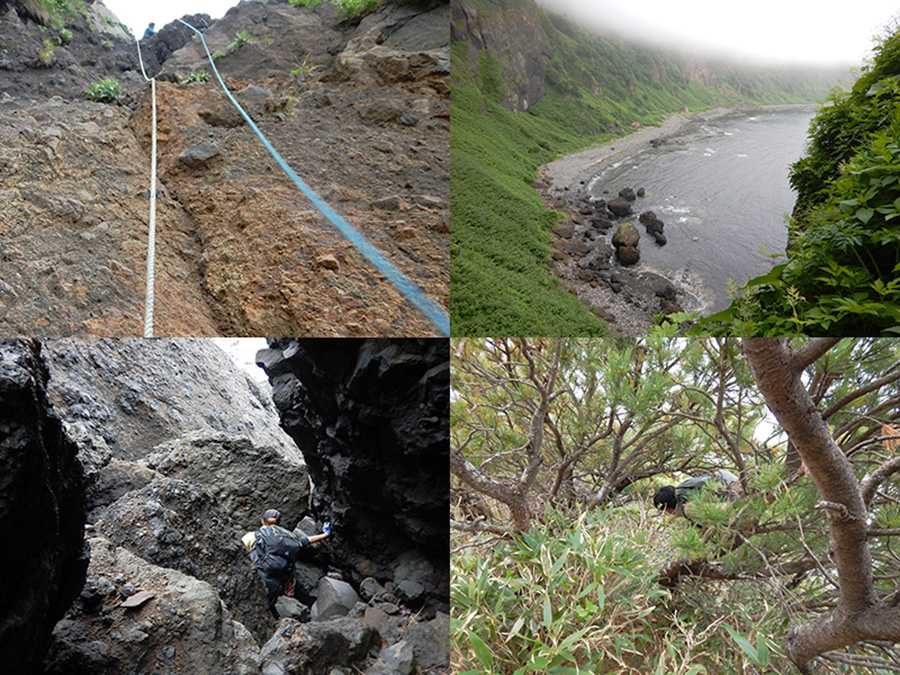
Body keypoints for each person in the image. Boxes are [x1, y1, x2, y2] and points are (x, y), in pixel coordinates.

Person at [242, 509, 331, 618]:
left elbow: (238, 549)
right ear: (280, 523)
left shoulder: (253, 536)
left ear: (262, 521)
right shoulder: (289, 537)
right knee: (266, 605)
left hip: (256, 576)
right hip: (276, 582)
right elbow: (305, 541)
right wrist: (325, 534)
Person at [653, 469, 742, 521]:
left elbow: (721, 513)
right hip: (732, 482)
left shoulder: (688, 509)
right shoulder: (685, 487)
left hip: (735, 495)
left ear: (668, 509)